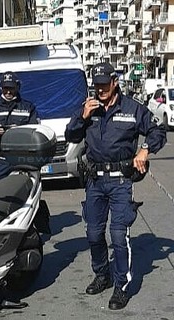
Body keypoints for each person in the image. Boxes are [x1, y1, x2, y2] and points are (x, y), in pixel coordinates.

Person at [65, 62, 167, 310]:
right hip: (94, 180)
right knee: (93, 233)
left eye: (103, 84)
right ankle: (102, 274)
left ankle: (121, 286)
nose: (100, 90)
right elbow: (71, 135)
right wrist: (82, 117)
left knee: (119, 236)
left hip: (121, 180)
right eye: (96, 85)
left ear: (114, 82)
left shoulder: (132, 108)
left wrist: (144, 150)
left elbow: (158, 131)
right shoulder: (88, 109)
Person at [0, 71, 39, 181]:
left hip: (23, 158)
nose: (8, 91)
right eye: (5, 88)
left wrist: (20, 131)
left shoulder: (28, 107)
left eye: (12, 88)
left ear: (18, 87)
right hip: (1, 159)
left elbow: (35, 131)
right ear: (1, 88)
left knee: (27, 188)